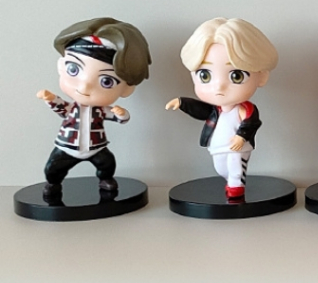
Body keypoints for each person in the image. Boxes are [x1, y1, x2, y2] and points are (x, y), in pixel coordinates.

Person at [38, 17, 151, 201]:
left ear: (127, 89)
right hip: (67, 146)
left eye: (106, 81)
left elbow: (118, 117)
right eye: (73, 69)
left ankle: (106, 179)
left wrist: (122, 114)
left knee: (107, 163)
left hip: (96, 146)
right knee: (53, 167)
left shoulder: (101, 110)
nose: (84, 87)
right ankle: (52, 184)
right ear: (61, 66)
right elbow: (63, 109)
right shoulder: (72, 108)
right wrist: (50, 99)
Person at [167, 18, 279, 200]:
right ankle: (230, 182)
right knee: (221, 168)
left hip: (238, 146)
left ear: (261, 77)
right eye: (205, 75)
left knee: (236, 166)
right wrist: (182, 103)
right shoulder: (215, 111)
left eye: (236, 76)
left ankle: (236, 187)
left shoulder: (245, 110)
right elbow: (202, 111)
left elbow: (252, 122)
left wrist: (241, 136)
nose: (219, 86)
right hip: (217, 146)